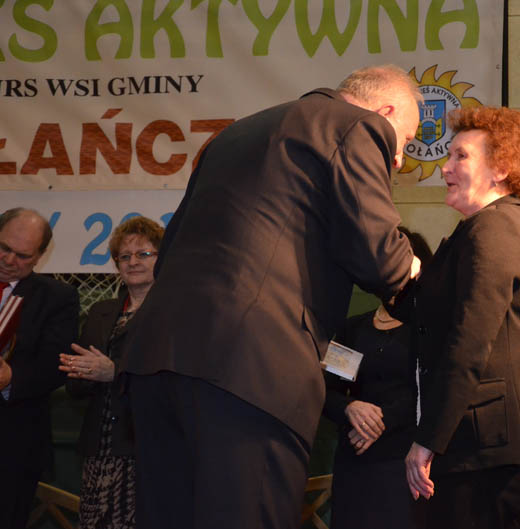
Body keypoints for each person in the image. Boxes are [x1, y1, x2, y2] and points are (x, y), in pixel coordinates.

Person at [119, 64, 423, 529]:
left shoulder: (234, 134)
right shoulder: (357, 125)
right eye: (405, 141)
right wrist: (419, 273)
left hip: (156, 362)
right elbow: (381, 258)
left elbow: (170, 251)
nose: (398, 160)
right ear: (385, 113)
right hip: (251, 367)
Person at [402, 107, 520, 529]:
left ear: (501, 169)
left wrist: (428, 440)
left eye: (461, 156)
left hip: (486, 448)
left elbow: (470, 343)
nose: (446, 168)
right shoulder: (484, 228)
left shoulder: (494, 229)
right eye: (447, 156)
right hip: (481, 446)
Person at [323, 228, 433, 529]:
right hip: (354, 458)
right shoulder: (353, 328)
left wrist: (381, 419)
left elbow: (433, 389)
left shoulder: (429, 327)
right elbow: (325, 390)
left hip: (404, 460)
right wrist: (350, 408)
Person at [59, 216, 164, 529]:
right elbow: (75, 391)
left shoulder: (173, 315)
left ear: (163, 259)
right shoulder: (100, 312)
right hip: (98, 451)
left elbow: (172, 384)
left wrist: (113, 373)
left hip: (146, 451)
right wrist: (79, 372)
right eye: (124, 256)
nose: (133, 262)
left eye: (143, 254)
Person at [0, 208, 80, 529]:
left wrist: (10, 378)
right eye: (3, 248)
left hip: (12, 445)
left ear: (40, 256)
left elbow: (56, 364)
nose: (9, 260)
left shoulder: (58, 297)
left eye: (22, 256)